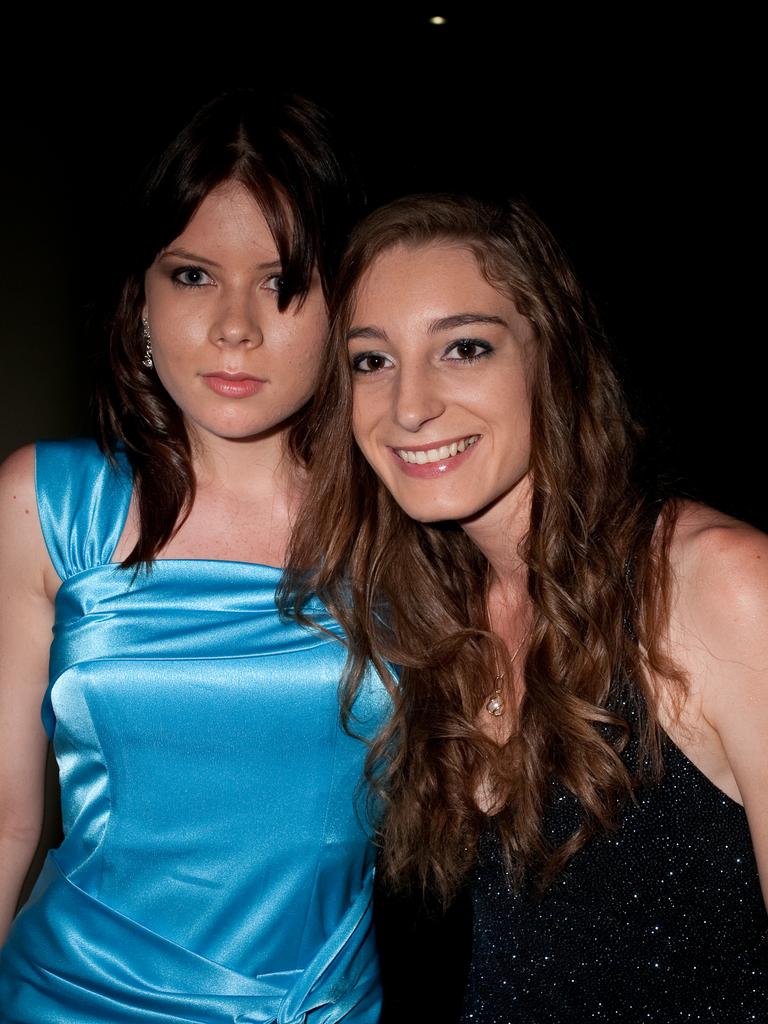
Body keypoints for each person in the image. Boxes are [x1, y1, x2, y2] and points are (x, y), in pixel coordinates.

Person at [283, 193, 768, 1021]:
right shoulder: (440, 620)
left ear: (555, 357)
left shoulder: (713, 583)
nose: (409, 407)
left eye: (464, 348)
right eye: (372, 361)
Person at [0, 89, 388, 1022]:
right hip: (71, 1000)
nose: (235, 327)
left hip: (323, 1005)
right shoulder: (47, 506)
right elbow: (7, 816)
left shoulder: (405, 521)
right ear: (139, 296)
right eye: (193, 276)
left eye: (281, 280)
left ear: (343, 304)